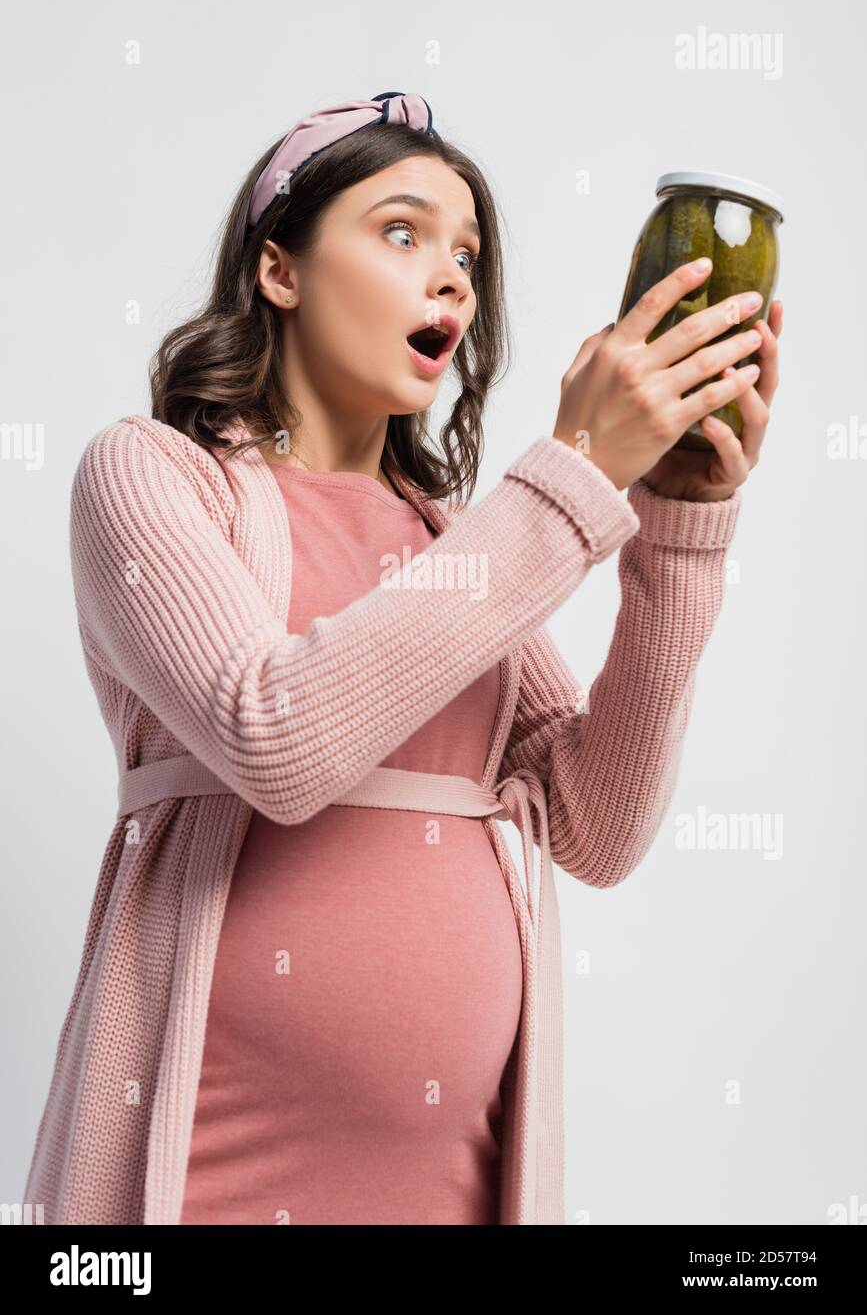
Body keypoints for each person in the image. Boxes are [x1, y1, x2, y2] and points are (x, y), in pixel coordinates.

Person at [23, 92, 782, 1226]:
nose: (454, 278)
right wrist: (573, 470)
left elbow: (596, 825)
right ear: (278, 269)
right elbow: (274, 735)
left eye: (468, 253)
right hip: (204, 1181)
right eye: (401, 231)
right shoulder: (152, 478)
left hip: (450, 1195)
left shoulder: (449, 542)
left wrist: (676, 521)